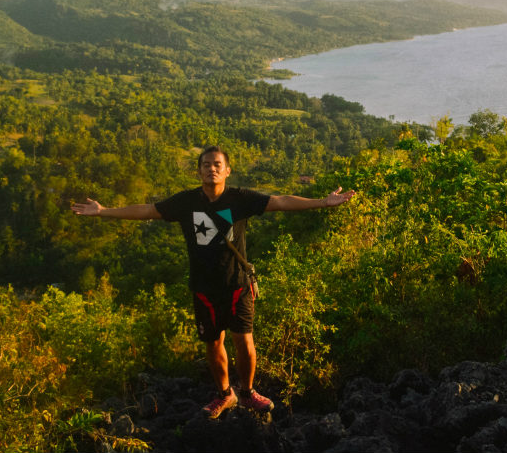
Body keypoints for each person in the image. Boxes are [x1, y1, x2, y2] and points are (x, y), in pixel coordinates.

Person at [71, 145, 355, 419]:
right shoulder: (186, 202)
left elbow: (280, 202)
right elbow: (148, 210)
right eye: (206, 165)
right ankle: (224, 393)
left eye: (217, 165)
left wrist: (323, 202)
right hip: (204, 288)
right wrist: (104, 210)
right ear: (199, 172)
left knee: (244, 340)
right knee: (213, 342)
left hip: (237, 284)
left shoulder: (239, 198)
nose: (211, 170)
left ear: (228, 170)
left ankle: (247, 392)